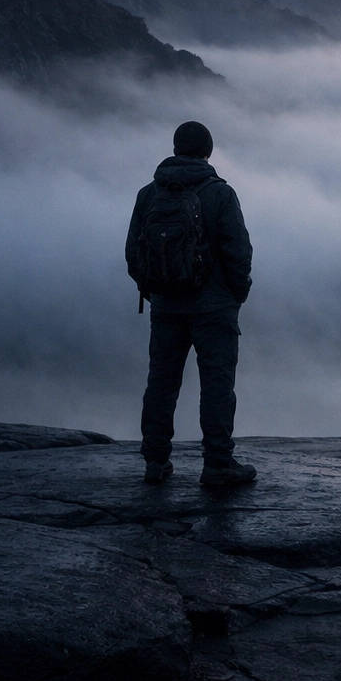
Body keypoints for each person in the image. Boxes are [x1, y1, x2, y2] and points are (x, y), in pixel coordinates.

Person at [125, 121, 256, 486]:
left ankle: (155, 462)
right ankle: (217, 465)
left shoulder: (149, 194)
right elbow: (238, 253)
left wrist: (155, 292)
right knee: (216, 384)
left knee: (161, 382)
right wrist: (236, 295)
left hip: (166, 308)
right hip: (214, 309)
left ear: (175, 148)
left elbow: (133, 253)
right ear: (207, 152)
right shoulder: (220, 194)